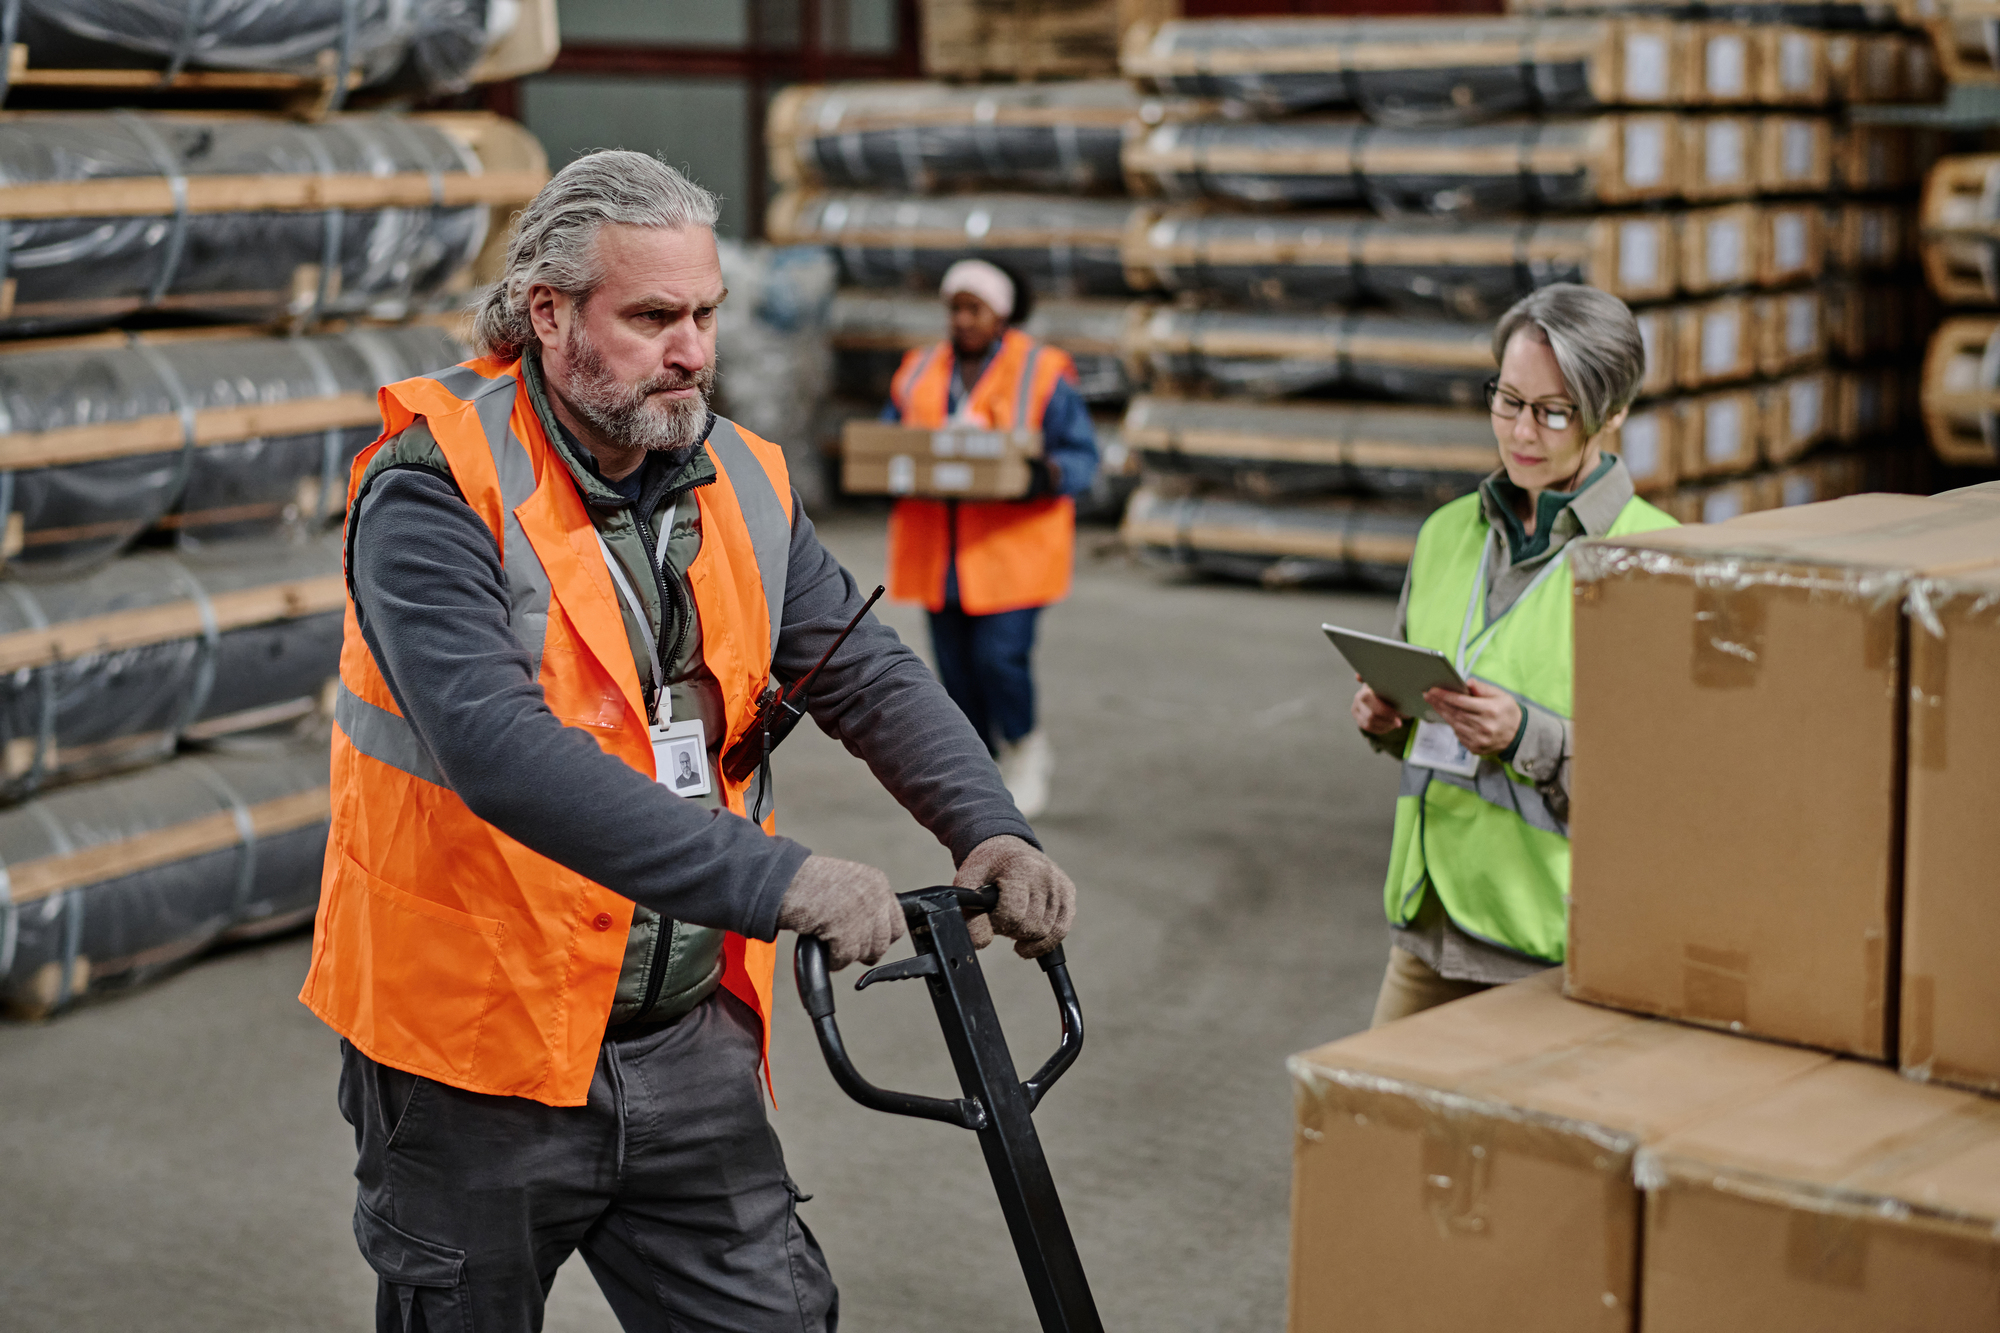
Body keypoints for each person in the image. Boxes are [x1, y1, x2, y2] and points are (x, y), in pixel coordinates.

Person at [300, 151, 1079, 1332]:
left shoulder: (741, 481)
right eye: (654, 316)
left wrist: (990, 826)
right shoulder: (434, 489)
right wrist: (783, 880)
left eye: (705, 312)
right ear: (548, 316)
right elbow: (498, 750)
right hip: (475, 1051)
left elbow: (860, 670)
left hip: (682, 1034)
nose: (695, 350)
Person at [1350, 284, 1678, 1028]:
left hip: (1556, 948)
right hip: (1427, 924)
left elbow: (1669, 785)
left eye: (1554, 411)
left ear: (1614, 412)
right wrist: (1386, 717)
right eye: (1507, 399)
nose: (1522, 432)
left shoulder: (1653, 560)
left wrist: (1528, 736)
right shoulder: (1445, 533)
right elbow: (1419, 720)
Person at [880, 259, 1098, 819]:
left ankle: (1026, 748)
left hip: (1011, 554)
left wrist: (1041, 475)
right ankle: (981, 769)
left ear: (1001, 313)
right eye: (954, 308)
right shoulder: (918, 370)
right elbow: (885, 443)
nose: (961, 320)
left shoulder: (1042, 372)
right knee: (955, 672)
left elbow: (1082, 458)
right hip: (939, 555)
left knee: (1001, 659)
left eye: (973, 308)